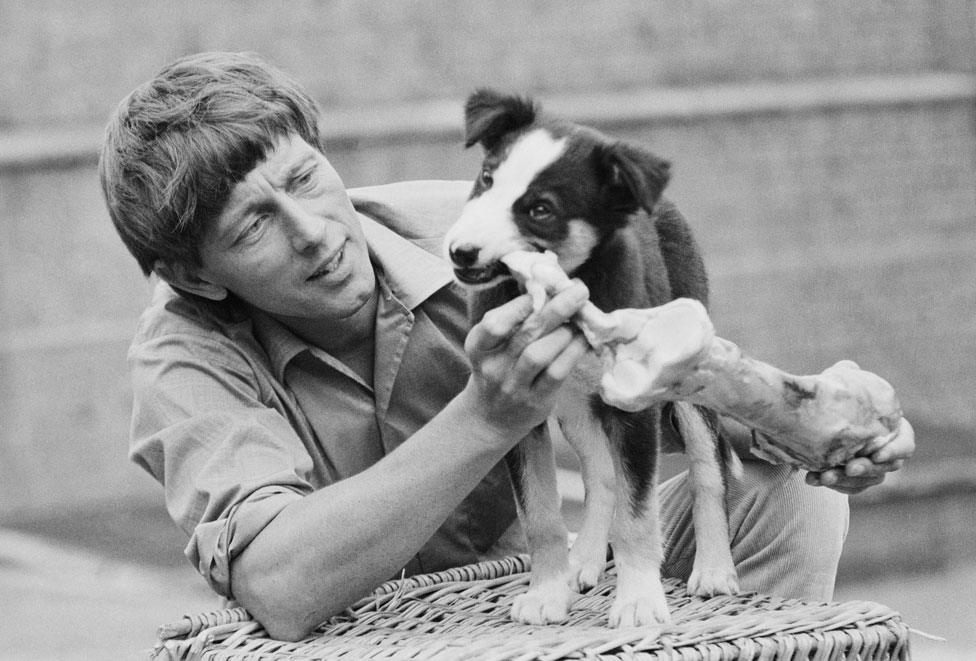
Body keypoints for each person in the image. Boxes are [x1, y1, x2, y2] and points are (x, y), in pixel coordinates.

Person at [99, 51, 915, 641]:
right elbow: (279, 585)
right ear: (196, 276)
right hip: (360, 626)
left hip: (546, 593)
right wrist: (484, 416)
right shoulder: (182, 352)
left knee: (790, 492)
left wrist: (810, 426)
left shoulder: (474, 228)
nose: (314, 234)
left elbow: (646, 384)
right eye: (253, 223)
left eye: (307, 178)